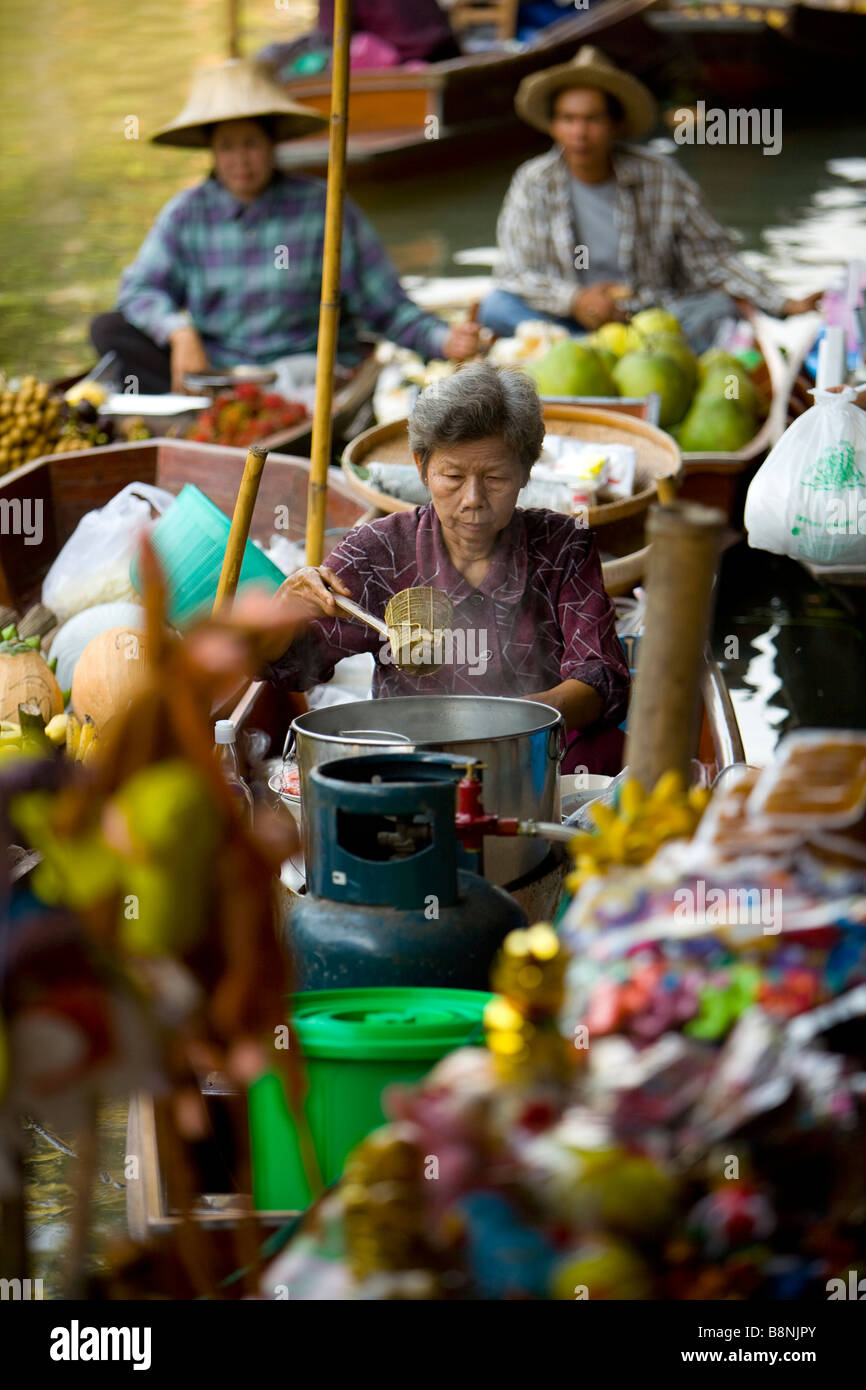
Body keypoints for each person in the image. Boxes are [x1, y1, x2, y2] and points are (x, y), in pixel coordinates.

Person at [263, 363, 630, 774]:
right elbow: (292, 666)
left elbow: (601, 677)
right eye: (452, 476)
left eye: (495, 477)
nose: (472, 498)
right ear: (422, 467)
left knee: (614, 750)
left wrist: (512, 722)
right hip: (412, 766)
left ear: (526, 472)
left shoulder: (564, 545)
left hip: (529, 757)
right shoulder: (378, 551)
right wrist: (282, 611)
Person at [91, 59, 478, 395]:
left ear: (272, 145)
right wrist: (179, 332)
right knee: (108, 330)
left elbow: (386, 306)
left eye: (251, 144)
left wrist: (442, 339)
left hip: (306, 372)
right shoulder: (186, 213)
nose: (240, 160)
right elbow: (138, 290)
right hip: (218, 373)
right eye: (227, 146)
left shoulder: (322, 207)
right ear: (213, 151)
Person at [480, 47, 822, 354]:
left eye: (592, 119)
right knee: (495, 306)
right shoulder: (533, 181)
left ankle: (610, 353)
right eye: (568, 119)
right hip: (568, 322)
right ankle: (593, 351)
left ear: (615, 124)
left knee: (718, 307)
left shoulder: (660, 175)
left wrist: (781, 302)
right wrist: (576, 300)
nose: (579, 133)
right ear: (554, 126)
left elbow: (714, 259)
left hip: (647, 319)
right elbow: (515, 271)